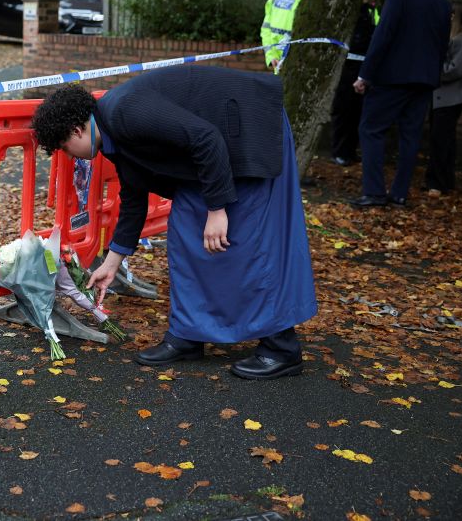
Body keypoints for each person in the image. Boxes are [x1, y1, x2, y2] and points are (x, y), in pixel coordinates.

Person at [30, 65, 318, 380]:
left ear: (76, 130)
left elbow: (206, 138)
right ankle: (189, 335)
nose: (70, 157)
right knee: (184, 233)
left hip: (248, 130)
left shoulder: (125, 113)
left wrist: (217, 209)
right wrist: (113, 261)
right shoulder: (110, 133)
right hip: (215, 152)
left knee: (250, 241)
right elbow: (134, 197)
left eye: (64, 148)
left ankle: (282, 348)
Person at [350, 0, 451, 207]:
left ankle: (374, 192)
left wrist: (365, 75)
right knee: (411, 136)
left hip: (391, 79)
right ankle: (399, 194)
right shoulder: (442, 4)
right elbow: (442, 46)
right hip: (424, 81)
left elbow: (383, 37)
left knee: (371, 129)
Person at [424, 1, 462, 196]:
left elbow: (456, 69)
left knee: (441, 139)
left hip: (449, 97)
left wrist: (433, 71)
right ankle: (444, 180)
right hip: (445, 96)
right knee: (445, 139)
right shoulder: (459, 38)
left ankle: (437, 182)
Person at [330, 0, 380, 167]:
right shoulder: (348, 12)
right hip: (348, 66)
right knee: (344, 110)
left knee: (357, 112)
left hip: (363, 66)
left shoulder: (370, 11)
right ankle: (338, 151)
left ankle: (350, 151)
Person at [260, 0, 307, 73]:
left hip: (278, 68)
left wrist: (271, 57)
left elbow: (265, 31)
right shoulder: (311, 1)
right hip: (300, 71)